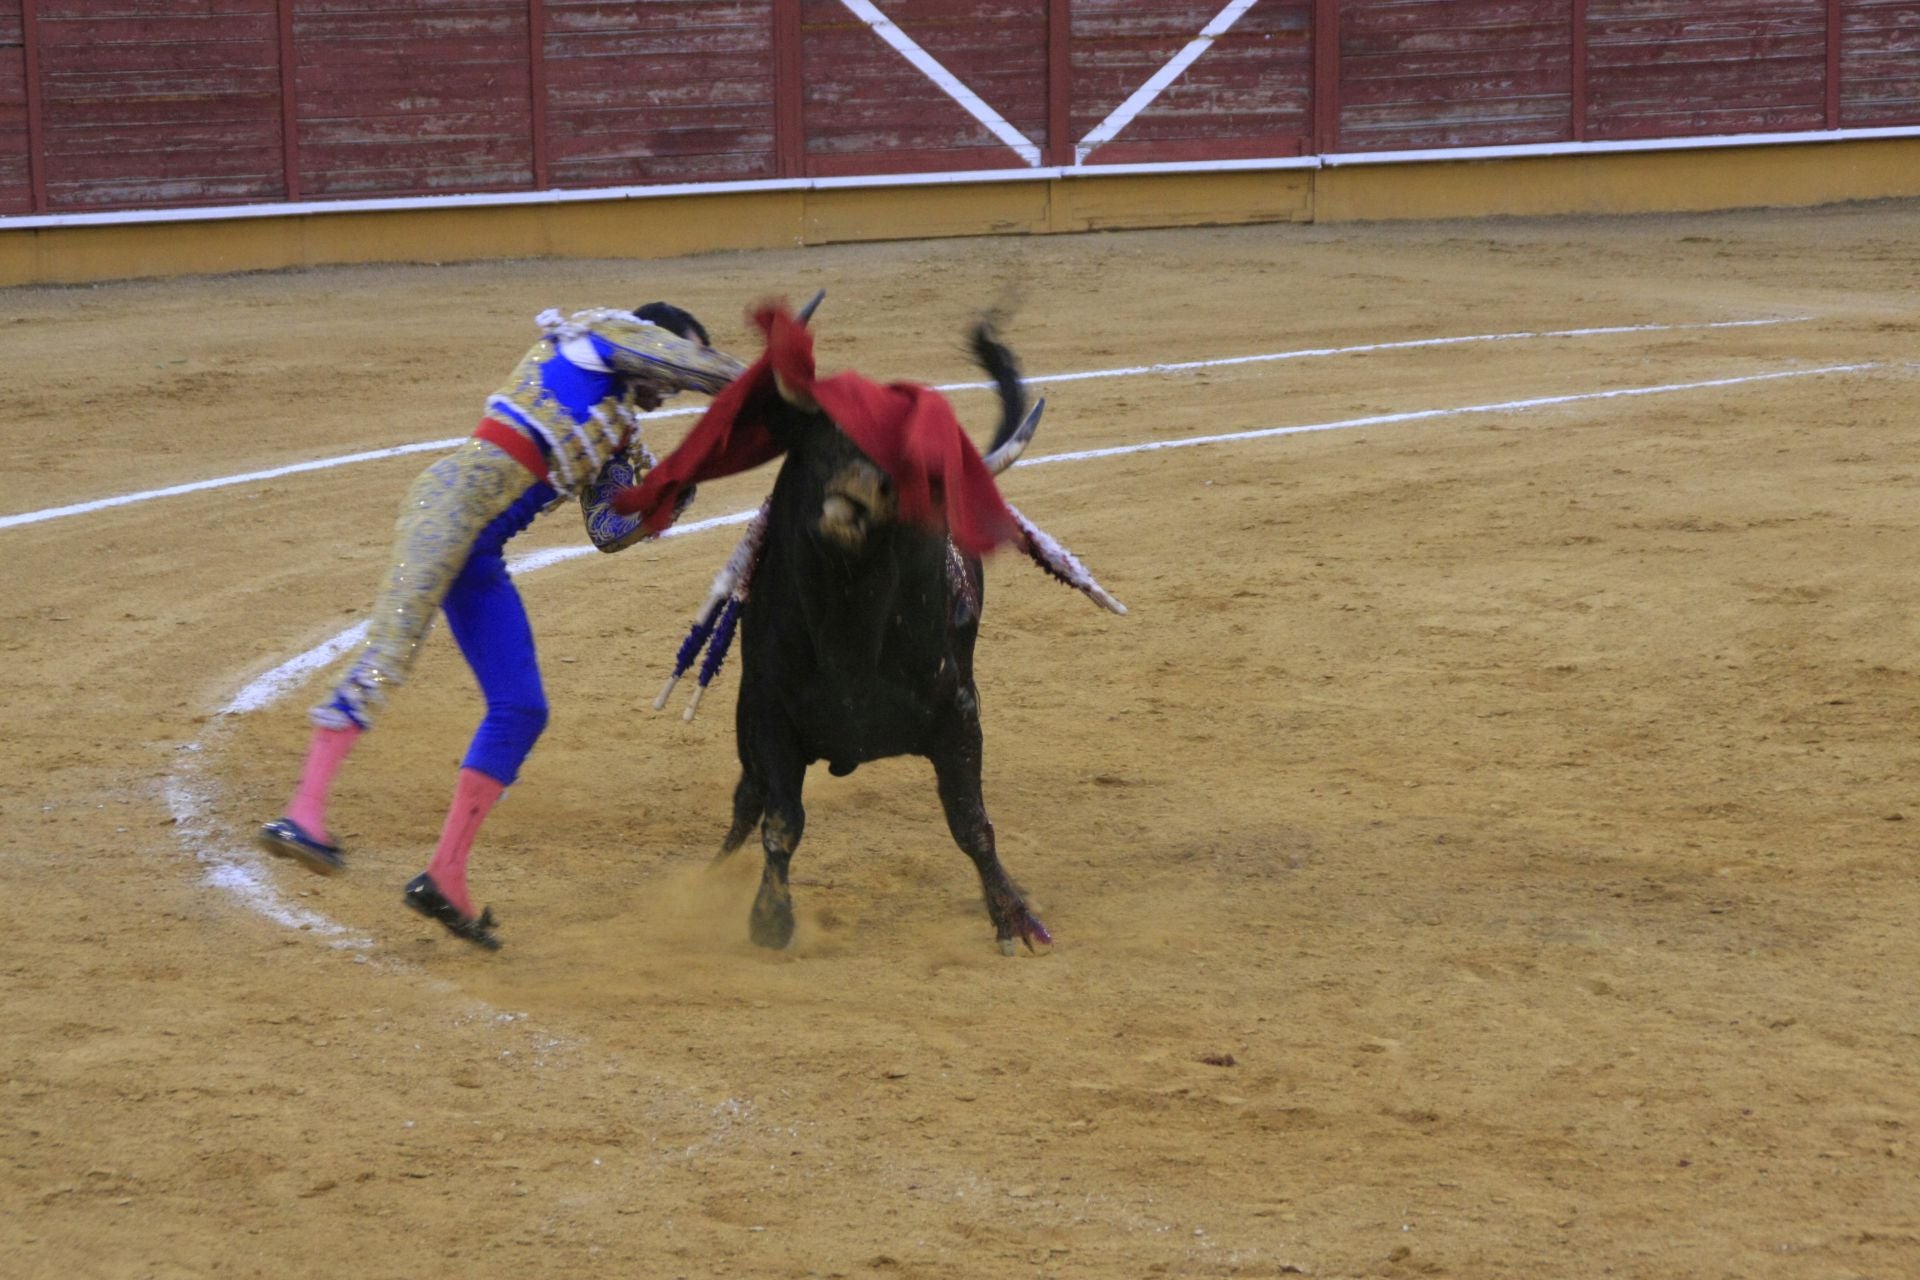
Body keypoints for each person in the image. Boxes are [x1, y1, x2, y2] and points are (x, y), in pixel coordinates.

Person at [258, 303, 744, 949]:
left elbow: (607, 530)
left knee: (521, 708)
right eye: (670, 373)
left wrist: (674, 492)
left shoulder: (619, 432)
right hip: (446, 506)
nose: (670, 391)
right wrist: (773, 384)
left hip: (480, 551)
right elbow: (697, 367)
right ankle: (303, 815)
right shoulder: (598, 338)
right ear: (653, 339)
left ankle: (446, 874)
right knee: (392, 648)